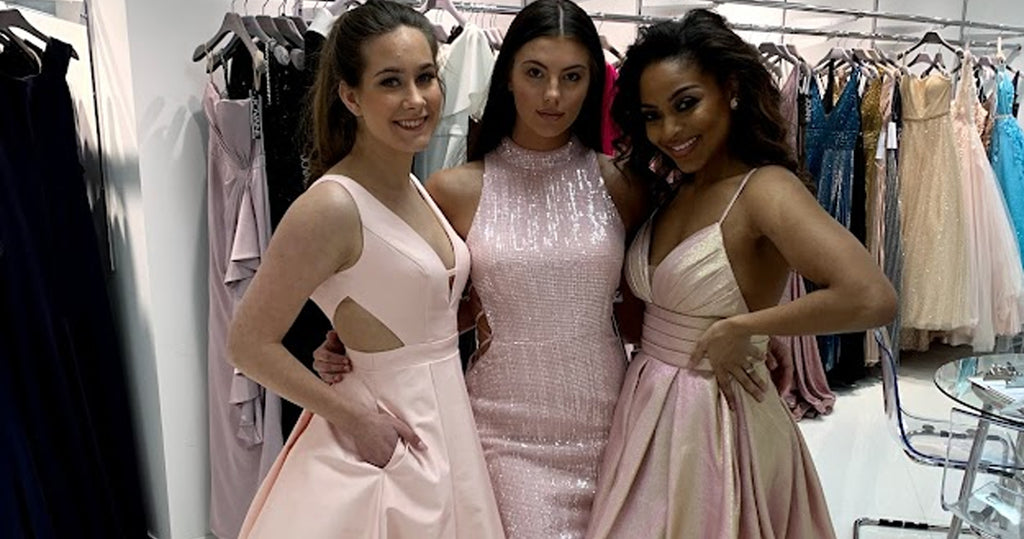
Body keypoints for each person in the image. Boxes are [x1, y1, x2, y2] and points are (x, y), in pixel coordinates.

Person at [315, 0, 649, 536]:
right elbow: (437, 308)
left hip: (614, 423)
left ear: (594, 84)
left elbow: (642, 312)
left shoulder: (622, 185)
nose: (553, 95)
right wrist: (352, 343)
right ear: (507, 75)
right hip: (502, 432)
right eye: (535, 73)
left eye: (572, 76)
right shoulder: (453, 190)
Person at [585, 10, 896, 538]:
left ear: (730, 90)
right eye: (653, 115)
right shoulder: (676, 186)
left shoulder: (765, 189)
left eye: (686, 104)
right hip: (648, 406)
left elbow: (873, 296)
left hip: (716, 421)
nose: (670, 131)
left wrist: (749, 328)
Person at [225, 2, 504, 537]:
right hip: (383, 437)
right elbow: (248, 344)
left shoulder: (414, 185)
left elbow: (416, 307)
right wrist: (354, 419)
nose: (416, 99)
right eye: (390, 82)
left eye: (425, 77)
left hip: (446, 424)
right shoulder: (330, 206)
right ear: (351, 97)